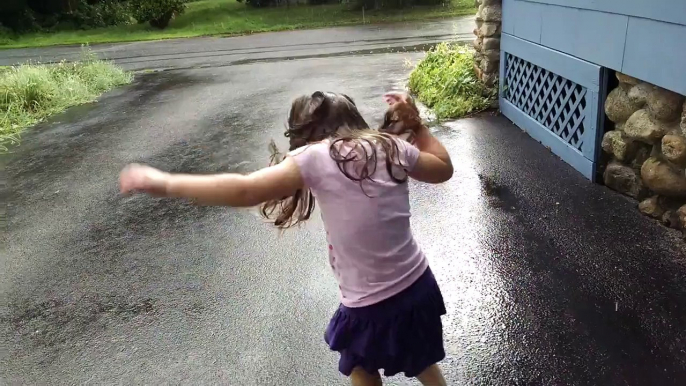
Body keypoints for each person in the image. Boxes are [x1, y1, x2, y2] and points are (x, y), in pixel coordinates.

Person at [119, 91, 454, 386]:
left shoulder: (317, 156)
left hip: (370, 301)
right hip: (417, 286)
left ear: (306, 133)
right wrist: (419, 127)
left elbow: (246, 189)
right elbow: (442, 168)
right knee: (422, 359)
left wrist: (166, 183)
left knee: (361, 364)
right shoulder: (390, 145)